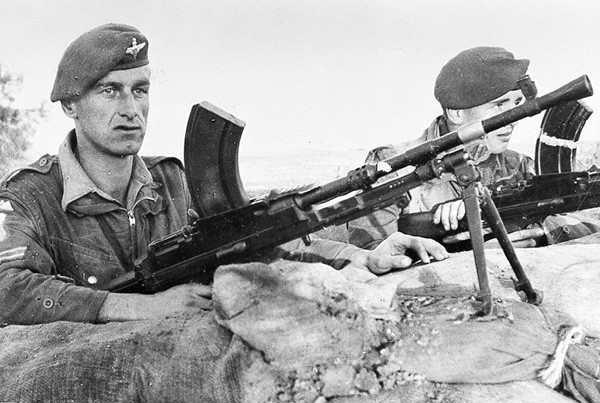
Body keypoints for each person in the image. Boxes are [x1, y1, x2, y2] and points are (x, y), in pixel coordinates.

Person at [0, 24, 448, 328]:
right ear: (70, 104)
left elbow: (255, 239)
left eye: (140, 90)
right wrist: (135, 308)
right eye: (109, 91)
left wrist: (356, 257)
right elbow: (8, 288)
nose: (131, 109)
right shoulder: (29, 196)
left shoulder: (171, 180)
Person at [348, 46, 548, 250]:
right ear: (456, 113)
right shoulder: (393, 166)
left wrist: (541, 235)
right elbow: (373, 253)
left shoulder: (518, 166)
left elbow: (571, 220)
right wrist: (479, 250)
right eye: (498, 106)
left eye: (516, 103)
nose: (512, 120)